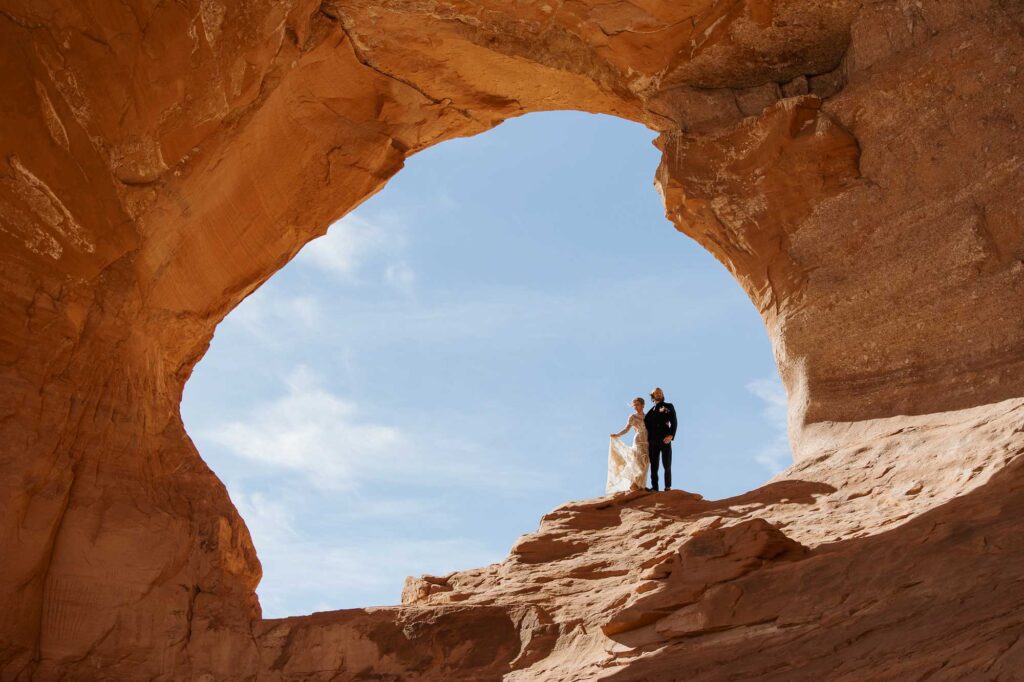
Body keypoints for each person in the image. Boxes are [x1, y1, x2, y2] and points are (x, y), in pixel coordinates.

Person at [606, 397, 650, 493]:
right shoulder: (633, 417)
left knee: (646, 463)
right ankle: (635, 485)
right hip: (638, 440)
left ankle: (639, 485)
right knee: (638, 462)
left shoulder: (648, 417)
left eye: (637, 404)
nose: (635, 407)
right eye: (634, 405)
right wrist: (617, 435)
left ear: (643, 405)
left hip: (647, 442)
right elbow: (626, 429)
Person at [643, 387, 677, 491]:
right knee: (654, 465)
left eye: (660, 392)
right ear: (653, 396)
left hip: (664, 438)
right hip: (652, 441)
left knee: (666, 463)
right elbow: (644, 426)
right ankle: (655, 487)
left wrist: (671, 435)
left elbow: (674, 421)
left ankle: (667, 486)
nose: (659, 394)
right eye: (656, 393)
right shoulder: (649, 413)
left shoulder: (668, 406)